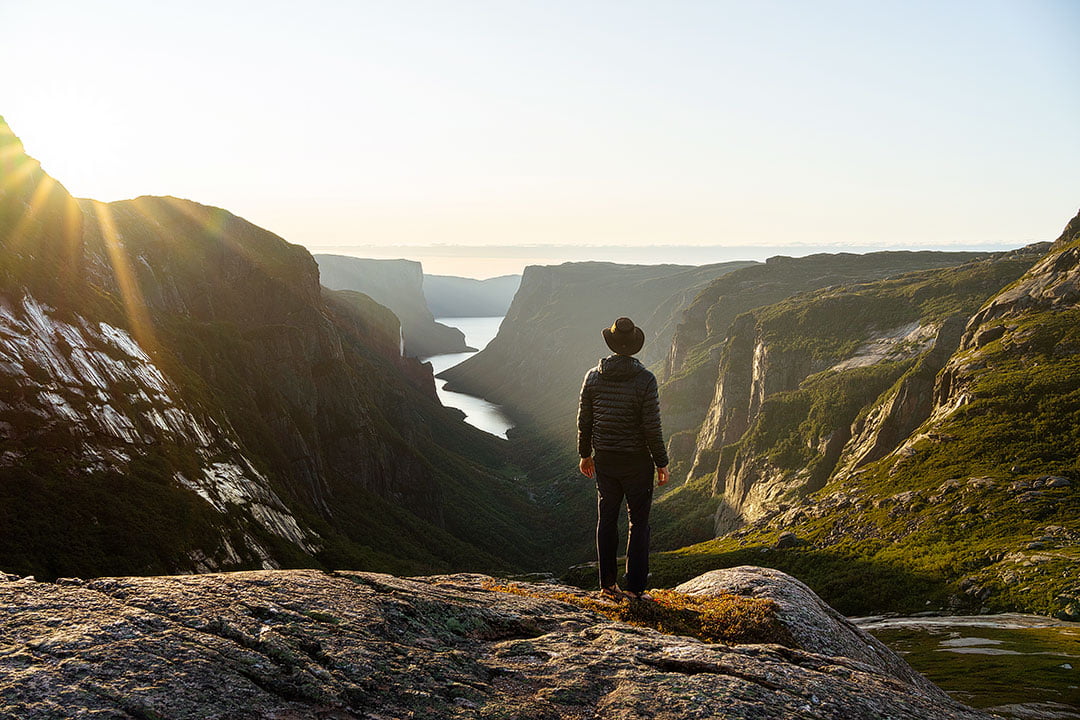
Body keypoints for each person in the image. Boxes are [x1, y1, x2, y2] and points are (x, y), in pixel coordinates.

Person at [577, 316, 669, 601]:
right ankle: (636, 589)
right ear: (635, 347)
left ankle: (607, 585)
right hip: (636, 462)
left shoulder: (593, 376)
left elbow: (585, 420)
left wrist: (584, 454)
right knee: (638, 523)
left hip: (604, 459)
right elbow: (651, 426)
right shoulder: (646, 379)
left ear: (612, 344)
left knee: (606, 519)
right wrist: (661, 462)